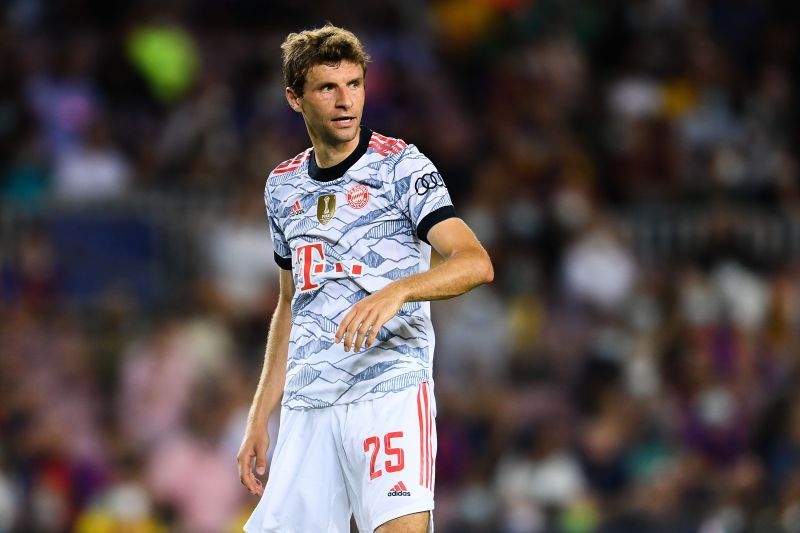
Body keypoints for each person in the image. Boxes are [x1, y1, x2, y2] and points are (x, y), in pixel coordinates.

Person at [237, 24, 493, 533]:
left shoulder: (401, 166)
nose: (344, 99)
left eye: (354, 84)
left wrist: (397, 291)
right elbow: (290, 303)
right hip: (310, 403)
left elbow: (474, 262)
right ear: (295, 98)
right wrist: (260, 412)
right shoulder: (282, 187)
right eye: (327, 87)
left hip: (388, 390)